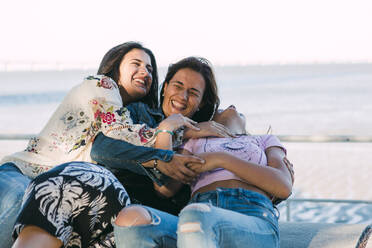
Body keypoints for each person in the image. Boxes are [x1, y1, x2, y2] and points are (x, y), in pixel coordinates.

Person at [12, 57, 233, 247]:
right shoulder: (140, 113)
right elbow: (103, 148)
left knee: (74, 183)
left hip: (146, 216)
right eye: (177, 85)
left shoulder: (203, 137)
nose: (183, 96)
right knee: (62, 182)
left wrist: (195, 131)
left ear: (202, 102)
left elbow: (166, 189)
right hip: (101, 200)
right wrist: (163, 137)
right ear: (164, 87)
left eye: (193, 93)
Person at [113, 105, 294, 248]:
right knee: (130, 218)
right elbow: (165, 188)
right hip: (198, 214)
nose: (231, 106)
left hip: (253, 215)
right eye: (221, 108)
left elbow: (283, 186)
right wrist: (166, 130)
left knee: (198, 216)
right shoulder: (194, 141)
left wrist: (220, 159)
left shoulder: (263, 140)